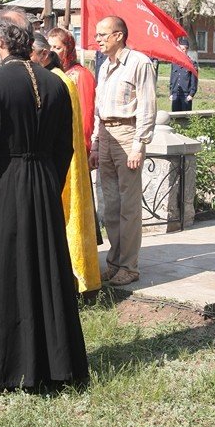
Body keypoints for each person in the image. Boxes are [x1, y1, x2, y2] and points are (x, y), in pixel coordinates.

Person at [0, 8, 89, 392]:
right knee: (45, 272)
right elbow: (65, 147)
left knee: (4, 272)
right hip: (43, 182)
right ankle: (55, 364)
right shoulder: (56, 84)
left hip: (5, 186)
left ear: (0, 41)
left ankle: (3, 369)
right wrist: (49, 181)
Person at [89, 16, 157, 287]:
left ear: (119, 35)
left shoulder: (139, 63)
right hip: (106, 135)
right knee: (111, 206)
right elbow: (98, 108)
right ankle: (114, 263)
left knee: (128, 205)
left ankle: (129, 266)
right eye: (97, 35)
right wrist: (95, 142)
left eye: (103, 35)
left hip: (128, 134)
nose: (98, 39)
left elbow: (147, 106)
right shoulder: (105, 66)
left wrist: (139, 145)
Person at [31, 33, 101, 293]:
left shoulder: (70, 78)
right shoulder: (53, 78)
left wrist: (83, 151)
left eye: (58, 47)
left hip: (68, 160)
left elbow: (82, 122)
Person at [47, 27, 96, 154]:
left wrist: (84, 145)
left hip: (74, 141)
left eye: (57, 48)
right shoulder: (51, 73)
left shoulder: (81, 74)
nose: (51, 52)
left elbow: (86, 113)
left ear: (68, 48)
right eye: (49, 47)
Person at [169, 37, 198, 111]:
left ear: (187, 50)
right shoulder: (174, 62)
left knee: (186, 118)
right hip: (175, 94)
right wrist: (171, 93)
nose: (181, 51)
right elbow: (172, 79)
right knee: (175, 118)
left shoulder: (192, 63)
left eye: (183, 49)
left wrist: (191, 94)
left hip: (186, 95)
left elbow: (194, 80)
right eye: (180, 49)